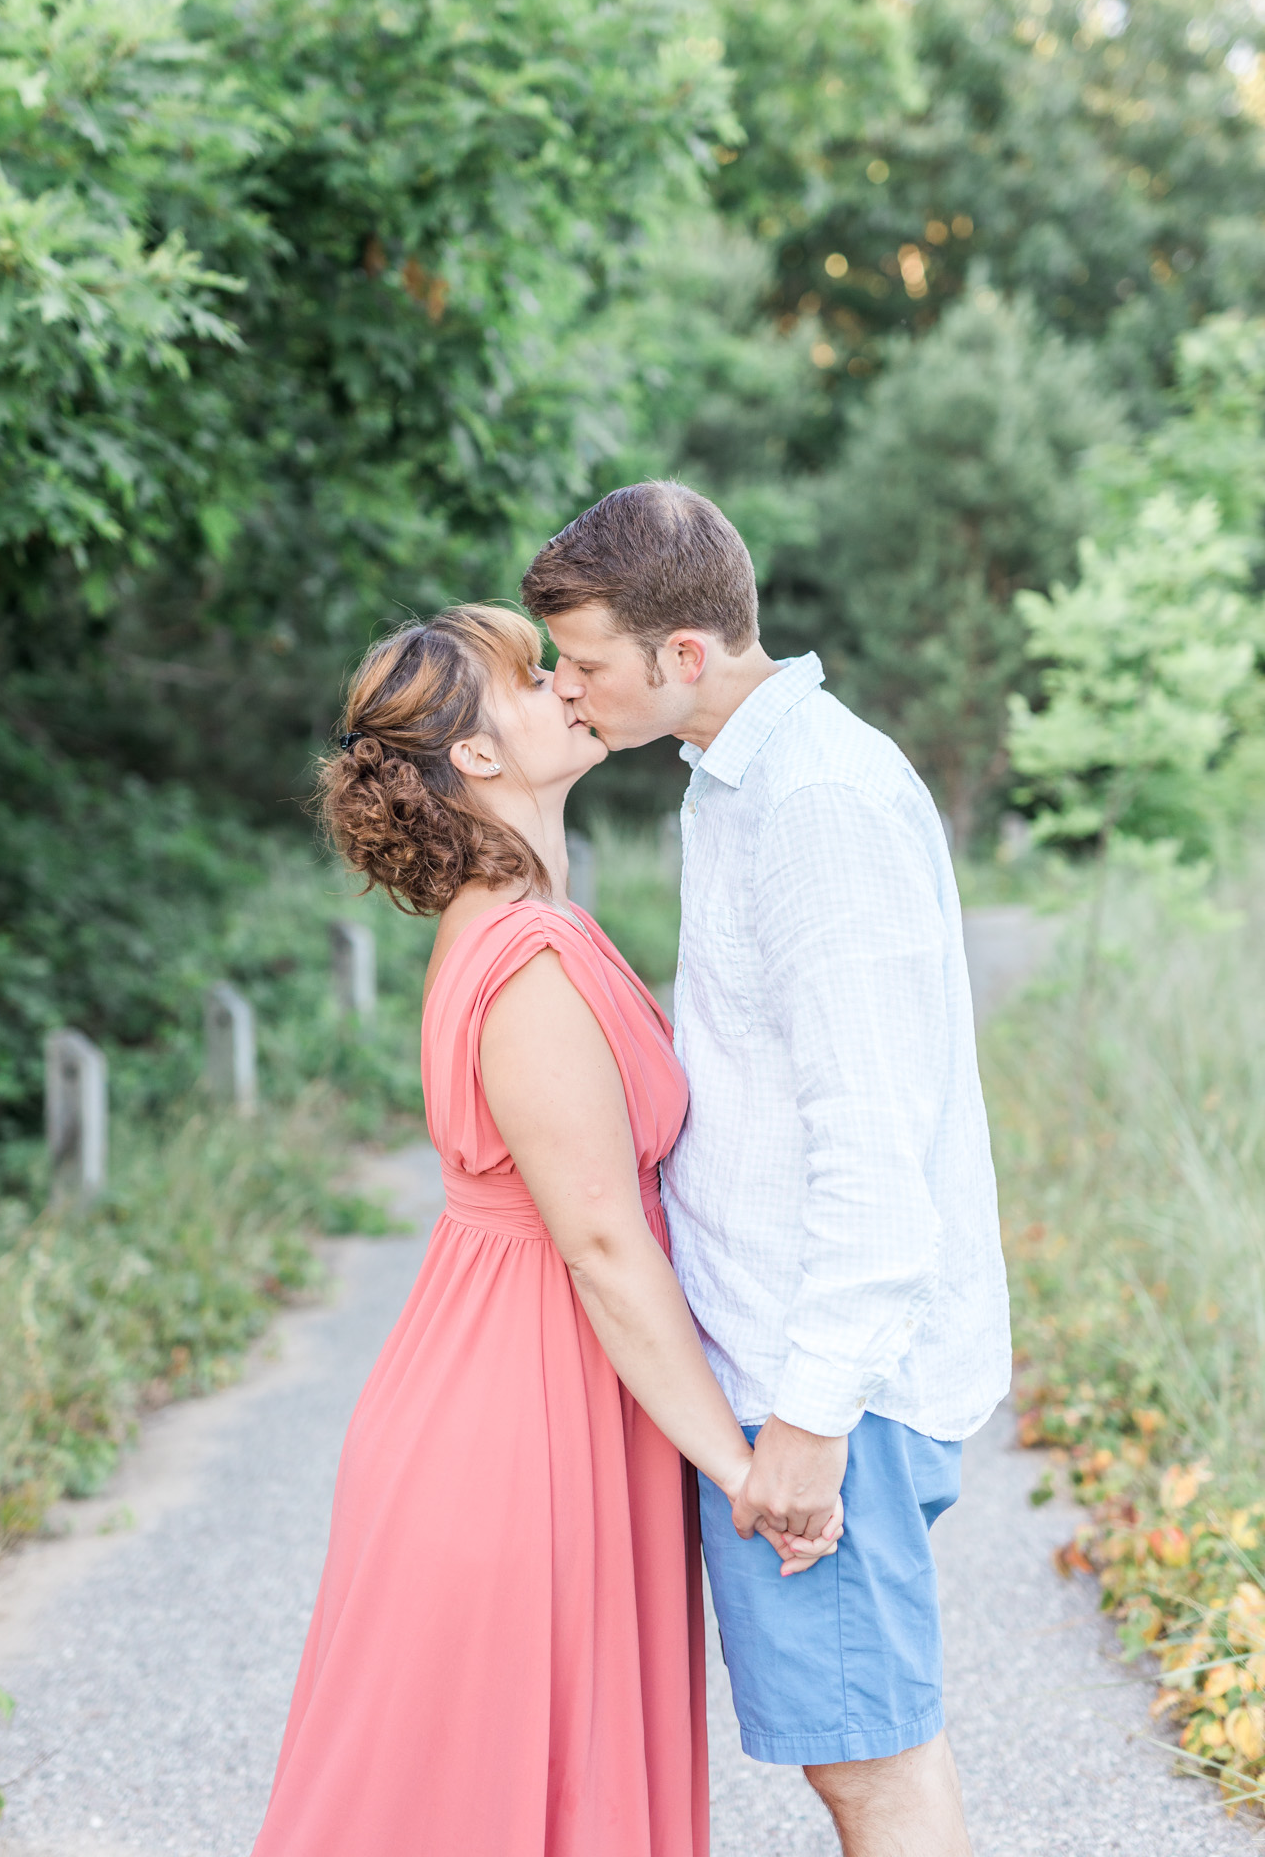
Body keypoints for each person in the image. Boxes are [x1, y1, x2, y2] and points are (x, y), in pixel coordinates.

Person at [250, 604, 841, 1857]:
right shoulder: (523, 958)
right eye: (531, 676)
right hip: (515, 1425)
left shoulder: (543, 921)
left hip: (551, 1394)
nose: (569, 683)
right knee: (483, 1801)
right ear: (473, 754)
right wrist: (745, 1471)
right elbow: (604, 1247)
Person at [522, 484, 1013, 1857]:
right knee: (851, 1748)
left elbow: (872, 1144)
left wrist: (804, 1421)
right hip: (782, 1368)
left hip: (820, 1391)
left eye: (587, 664)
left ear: (685, 655)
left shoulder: (815, 806)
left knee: (868, 1760)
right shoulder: (740, 780)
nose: (569, 691)